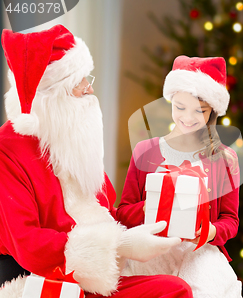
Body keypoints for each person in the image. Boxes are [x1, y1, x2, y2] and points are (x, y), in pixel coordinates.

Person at [0, 25, 192, 298]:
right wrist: (120, 245)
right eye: (79, 84)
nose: (90, 89)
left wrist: (155, 210)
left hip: (91, 280)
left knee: (175, 289)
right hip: (42, 284)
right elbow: (28, 244)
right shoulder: (7, 151)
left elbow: (105, 215)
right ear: (52, 97)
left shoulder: (71, 140)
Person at [117, 56, 242, 297]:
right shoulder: (146, 151)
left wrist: (210, 232)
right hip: (153, 248)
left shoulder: (224, 159)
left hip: (199, 250)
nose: (187, 117)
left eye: (200, 111)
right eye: (180, 107)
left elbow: (230, 220)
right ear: (171, 101)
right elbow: (122, 212)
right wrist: (154, 206)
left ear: (212, 111)